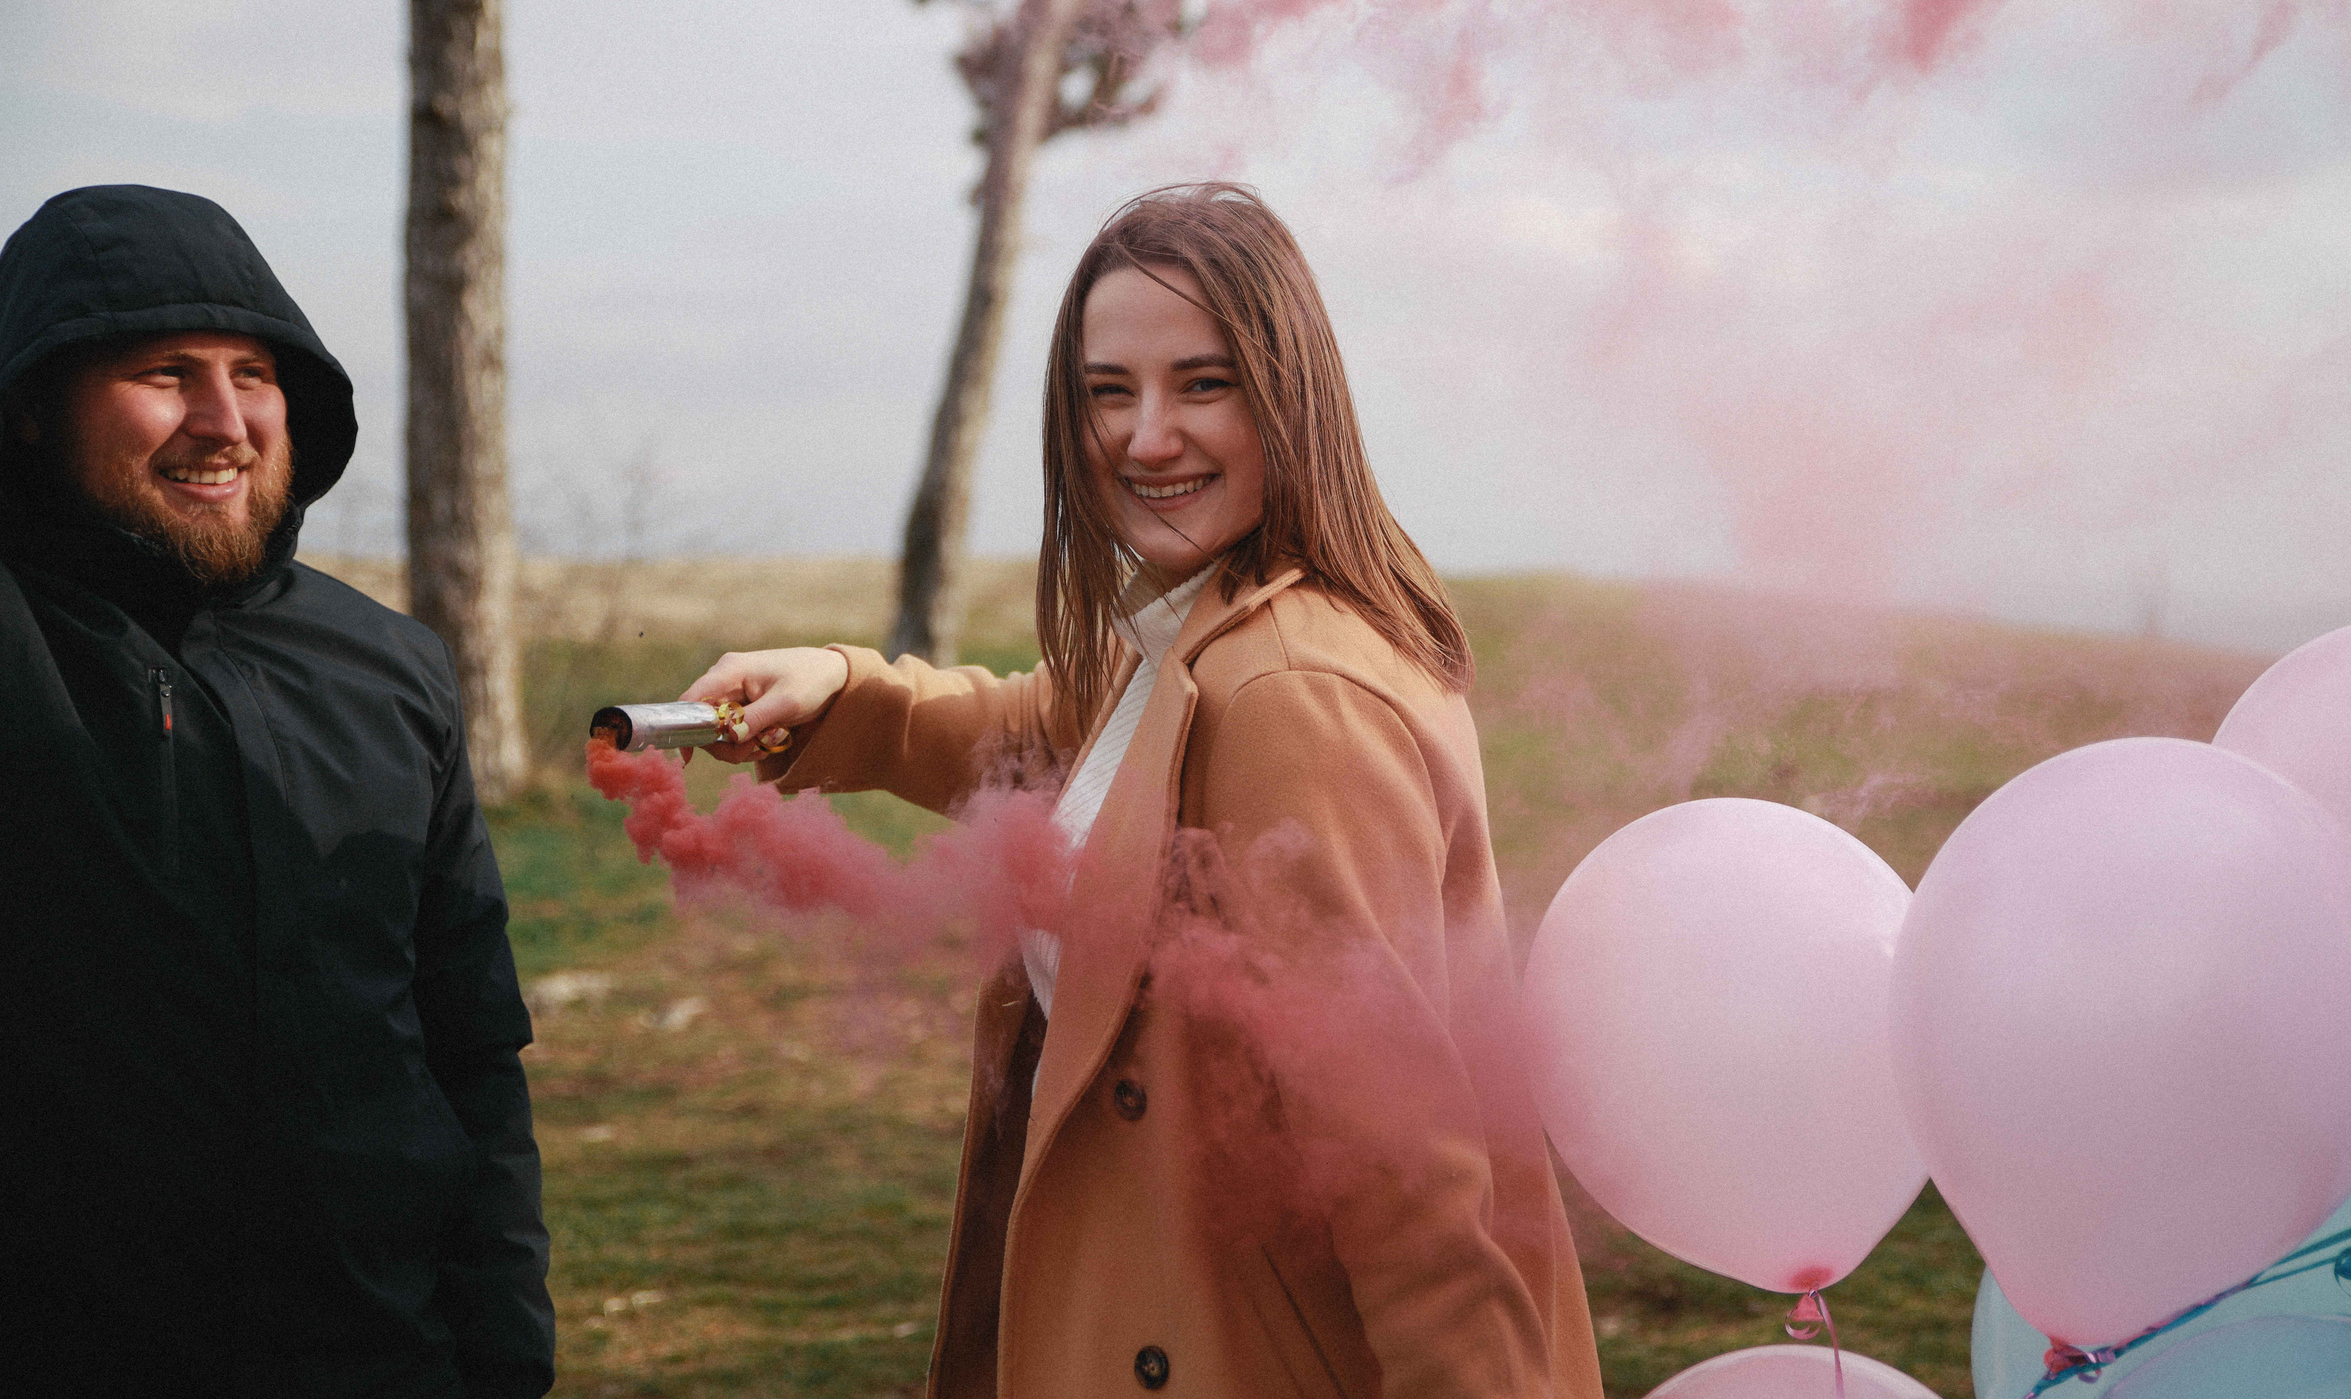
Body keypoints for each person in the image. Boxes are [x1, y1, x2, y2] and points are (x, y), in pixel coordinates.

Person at [684, 183, 1603, 1399]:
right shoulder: (1203, 633)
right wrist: (849, 691)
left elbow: (1403, 1164)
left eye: (1201, 384)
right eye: (1107, 392)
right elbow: (1053, 730)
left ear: (1291, 396)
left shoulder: (1287, 699)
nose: (1145, 436)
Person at [0, 185, 554, 1398]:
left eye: (254, 373)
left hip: (377, 1355)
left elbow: (471, 1047)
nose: (223, 420)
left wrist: (505, 1345)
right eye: (164, 373)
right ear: (32, 406)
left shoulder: (389, 667)